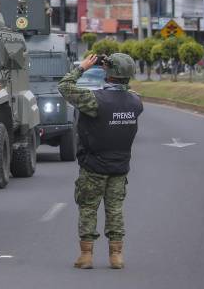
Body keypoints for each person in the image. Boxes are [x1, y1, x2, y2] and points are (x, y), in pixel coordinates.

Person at [58, 53, 144, 270]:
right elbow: (127, 93)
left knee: (88, 208)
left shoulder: (95, 100)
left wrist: (83, 67)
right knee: (115, 209)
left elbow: (65, 87)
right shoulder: (136, 102)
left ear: (108, 72)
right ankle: (116, 256)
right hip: (120, 167)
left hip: (94, 166)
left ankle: (86, 256)